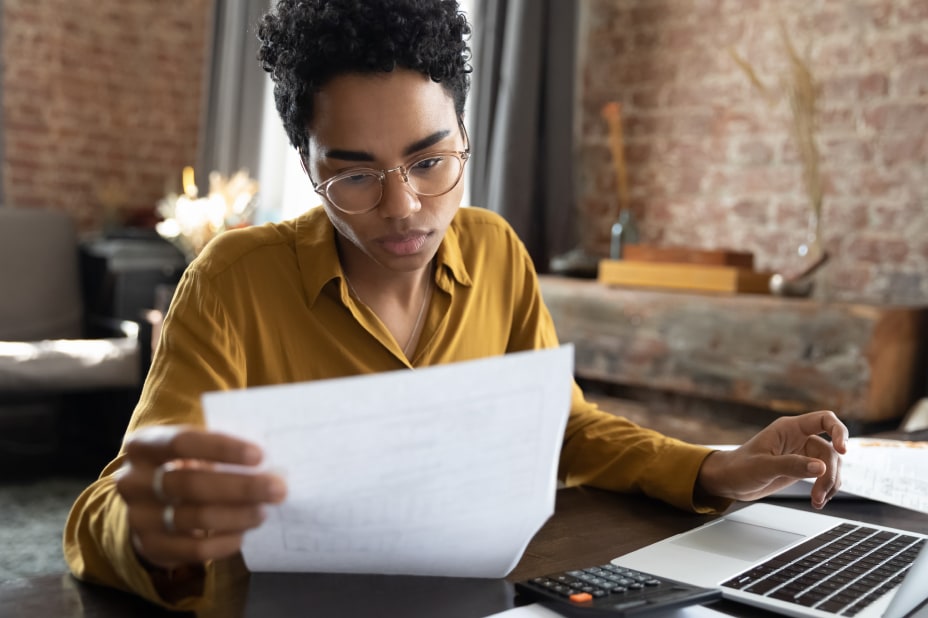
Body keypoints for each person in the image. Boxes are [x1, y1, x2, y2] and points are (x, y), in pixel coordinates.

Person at [63, 0, 847, 611]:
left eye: (430, 159)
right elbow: (107, 506)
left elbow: (565, 430)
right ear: (307, 171)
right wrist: (153, 535)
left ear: (466, 135)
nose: (404, 207)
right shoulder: (233, 282)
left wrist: (716, 469)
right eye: (355, 175)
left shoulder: (498, 252)